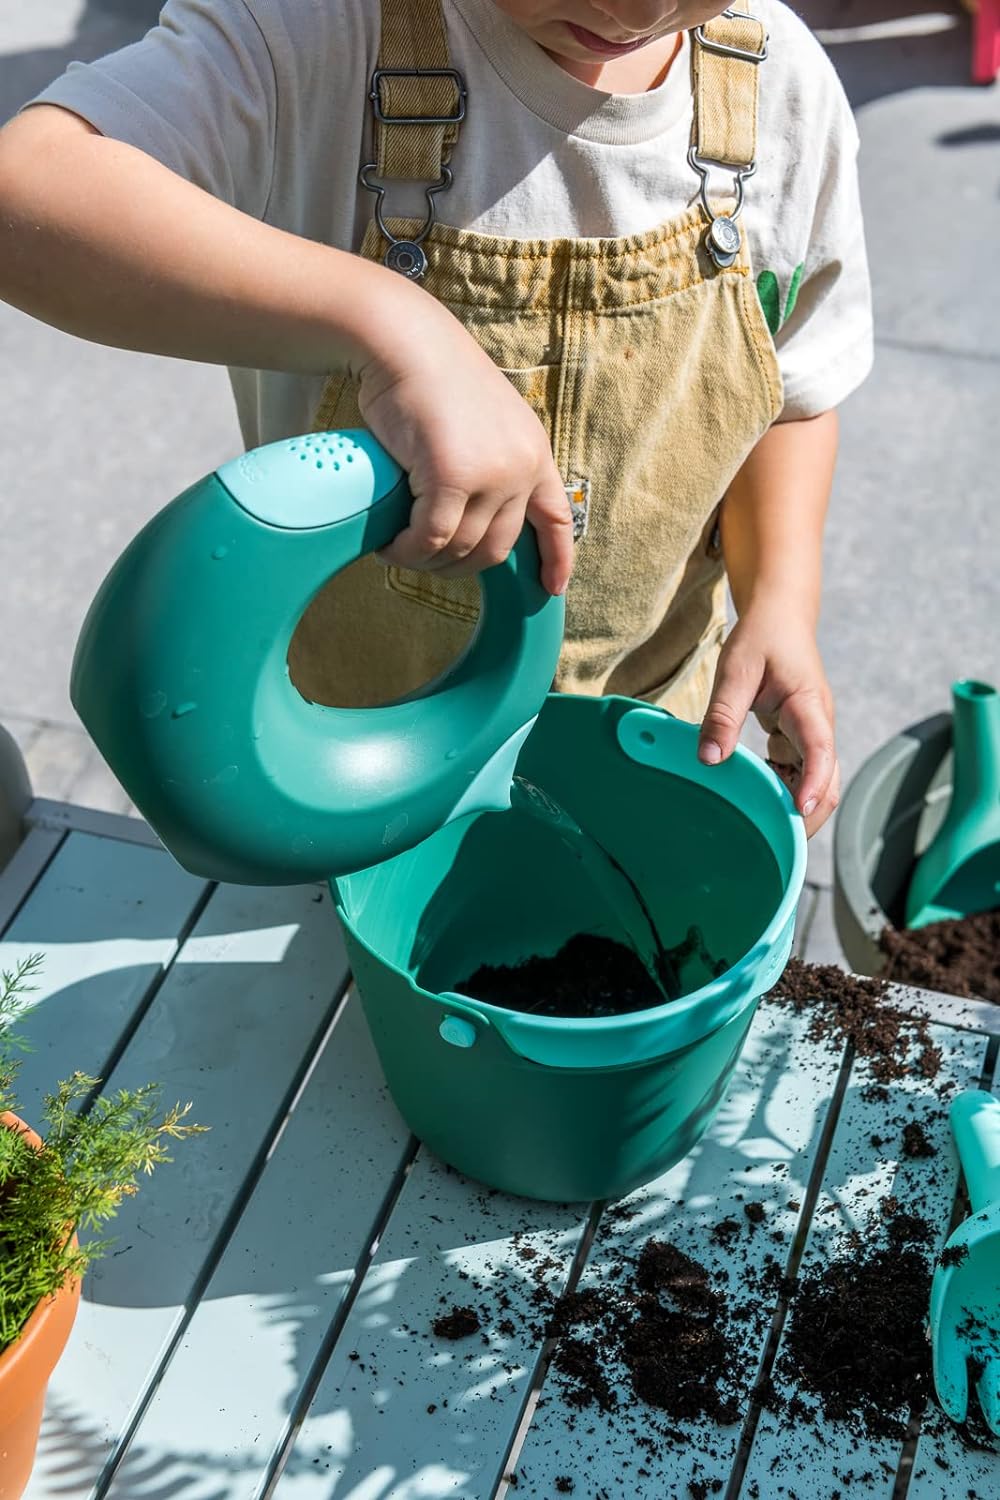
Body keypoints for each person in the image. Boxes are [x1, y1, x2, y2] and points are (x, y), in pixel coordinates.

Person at [0, 0, 872, 835]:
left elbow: (791, 389)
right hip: (347, 757)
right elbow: (27, 195)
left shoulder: (780, 87)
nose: (634, 12)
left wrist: (781, 600)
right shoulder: (314, 36)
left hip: (646, 721)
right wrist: (394, 327)